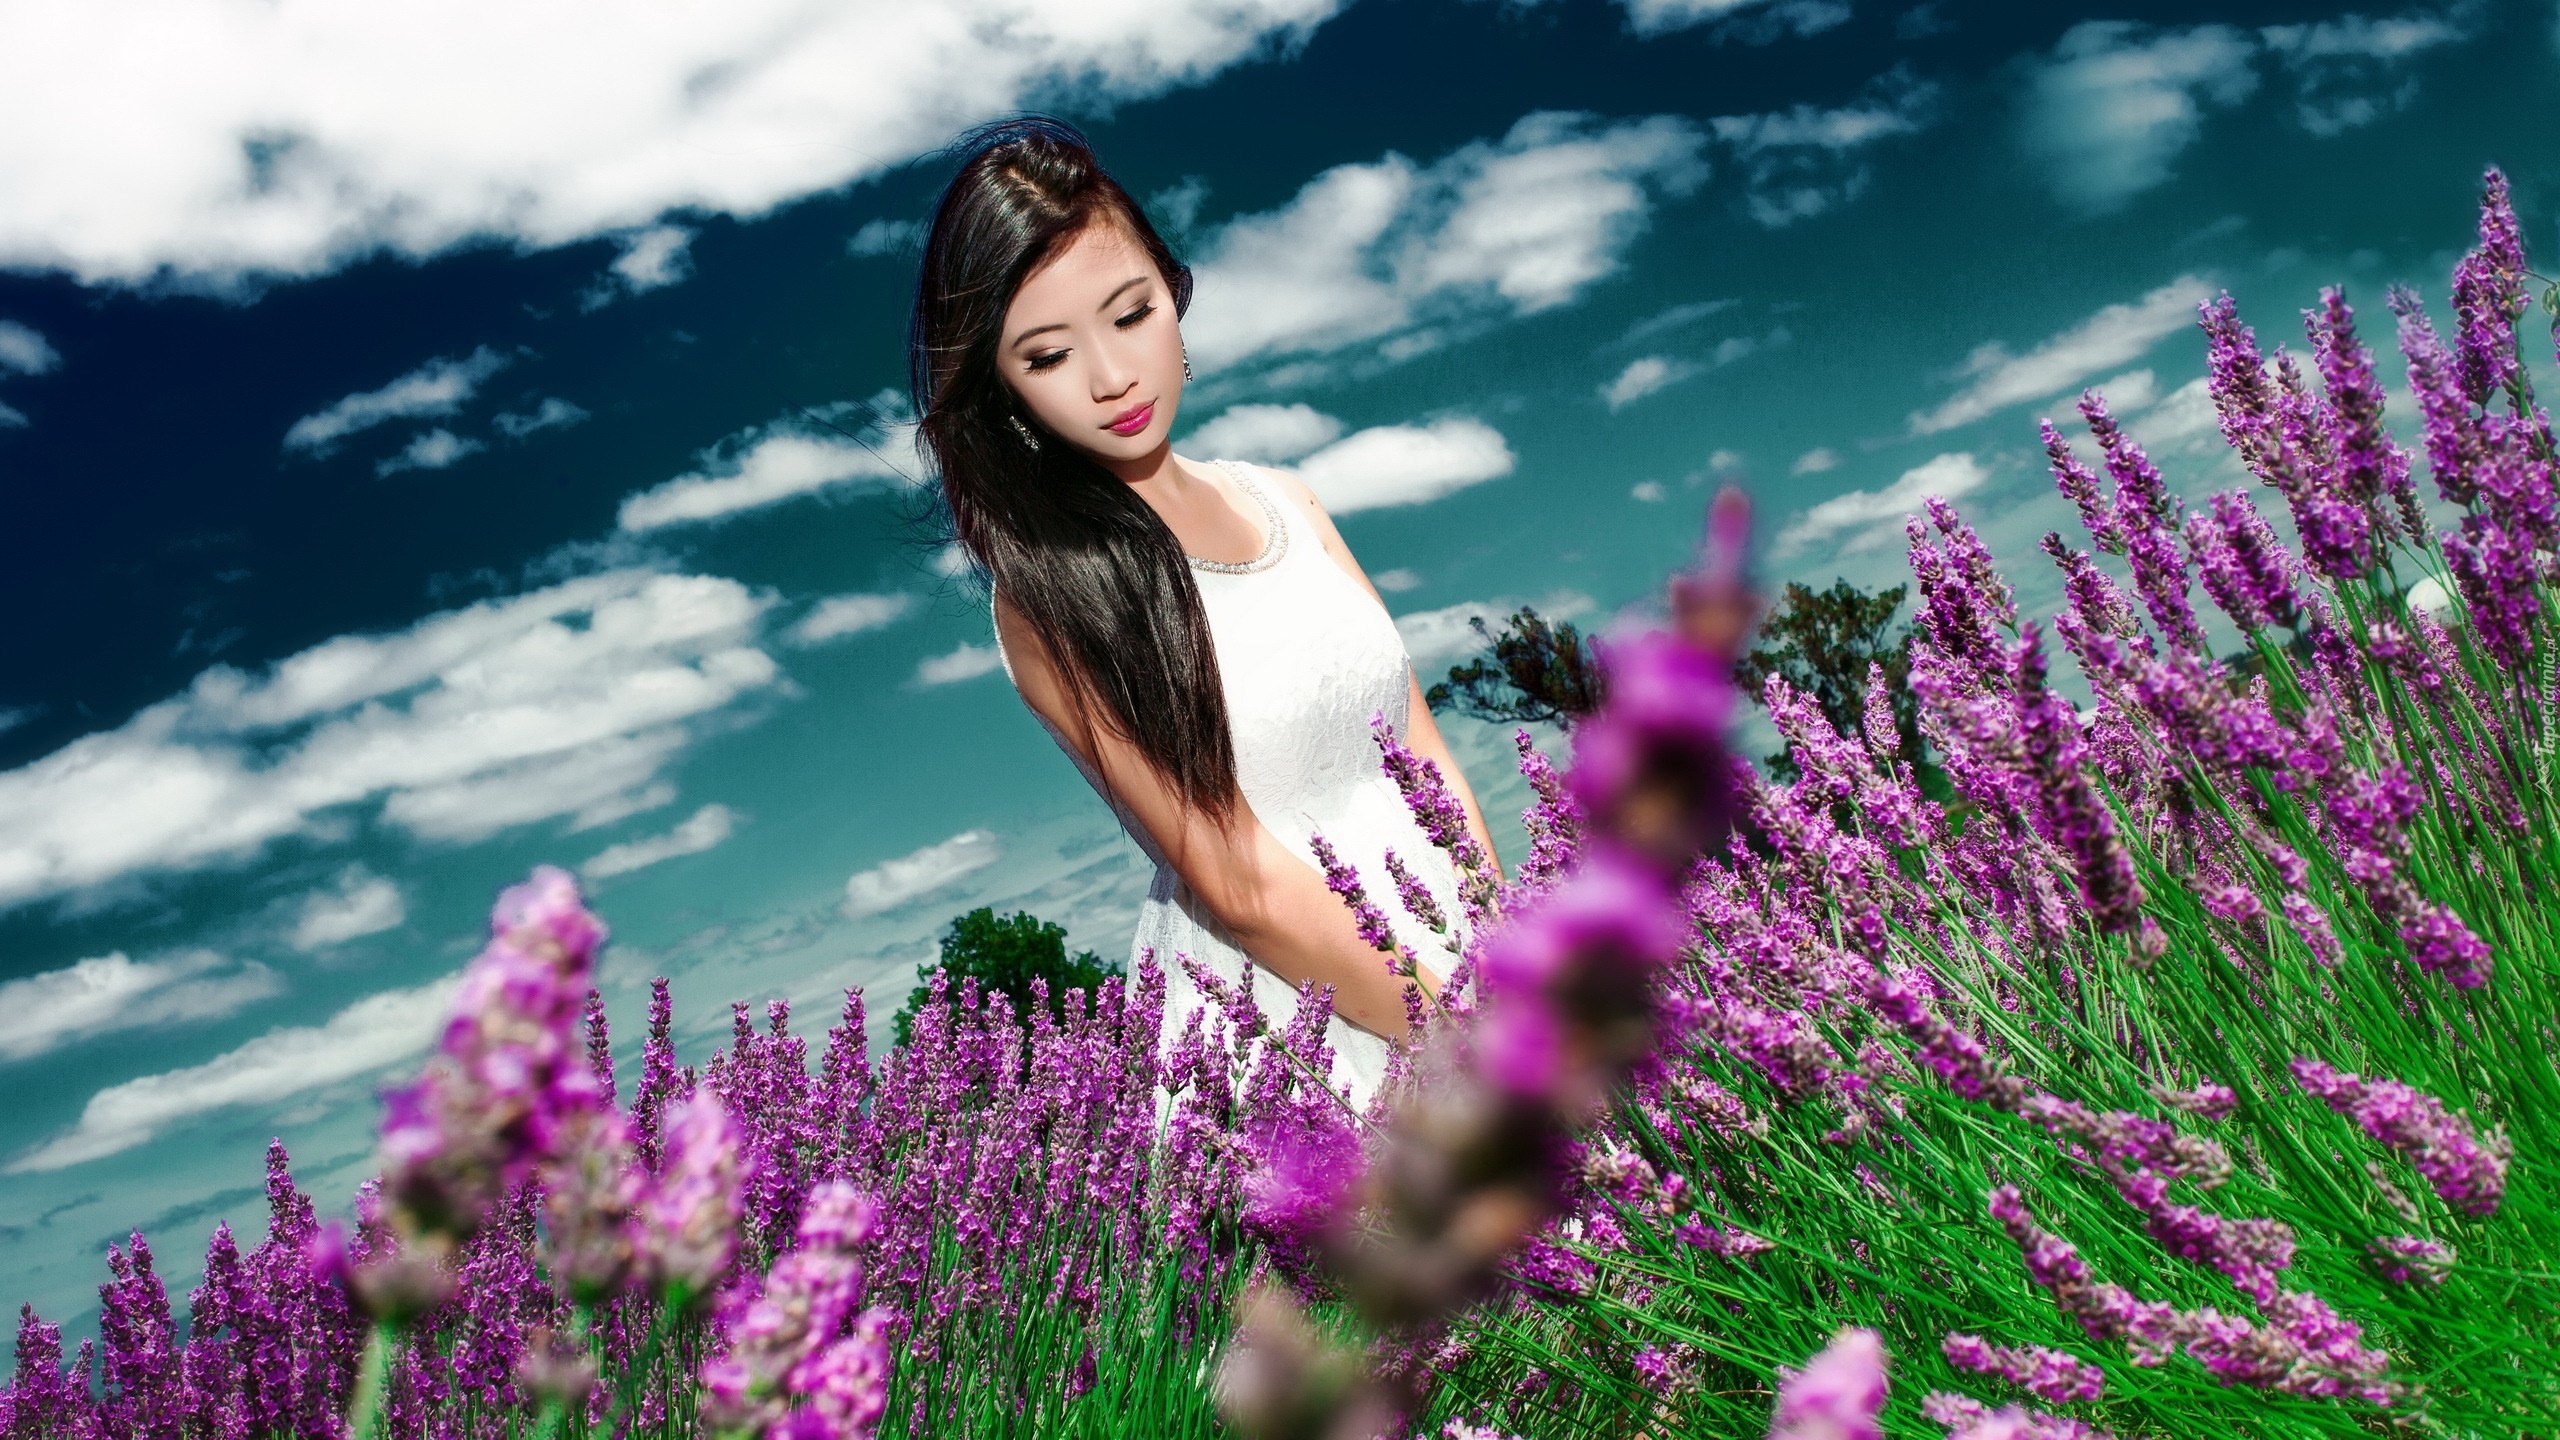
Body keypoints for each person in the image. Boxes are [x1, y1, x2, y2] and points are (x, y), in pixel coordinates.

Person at [906, 118, 1500, 1101]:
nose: (1111, 378)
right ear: (1000, 391)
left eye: (1130, 314)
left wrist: (1502, 944)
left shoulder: (1290, 501)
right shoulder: (1052, 596)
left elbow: (1420, 750)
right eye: (1047, 356)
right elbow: (1238, 883)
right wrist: (1452, 1033)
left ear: (1172, 291)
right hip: (1299, 1023)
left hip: (1461, 951)